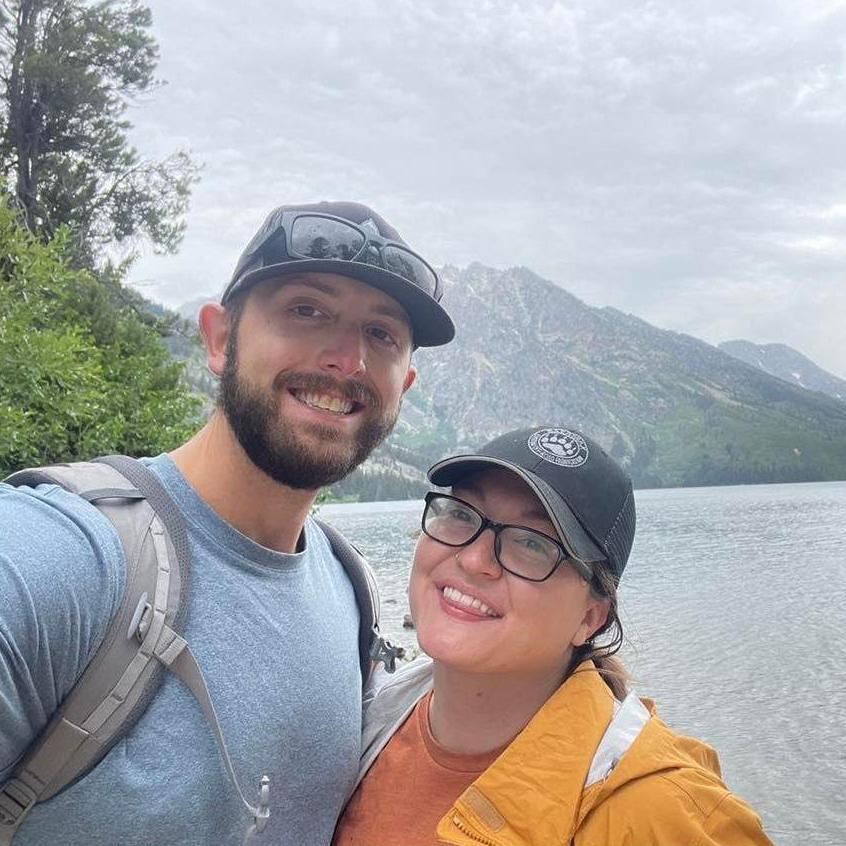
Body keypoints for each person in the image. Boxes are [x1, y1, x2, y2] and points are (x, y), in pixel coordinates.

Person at [0, 201, 454, 846]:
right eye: (307, 310)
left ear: (403, 385)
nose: (348, 359)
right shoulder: (58, 557)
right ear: (219, 339)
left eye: (381, 333)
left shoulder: (349, 587)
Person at [334, 426, 775, 846]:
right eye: (462, 515)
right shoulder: (366, 718)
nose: (473, 559)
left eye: (532, 543)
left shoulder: (663, 813)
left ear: (591, 618)